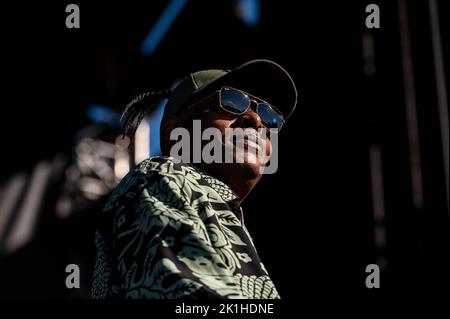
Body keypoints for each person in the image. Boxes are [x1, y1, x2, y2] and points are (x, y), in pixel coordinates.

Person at [91, 59, 298, 299]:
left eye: (270, 116)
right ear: (174, 132)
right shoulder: (163, 175)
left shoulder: (213, 206)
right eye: (232, 101)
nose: (257, 121)